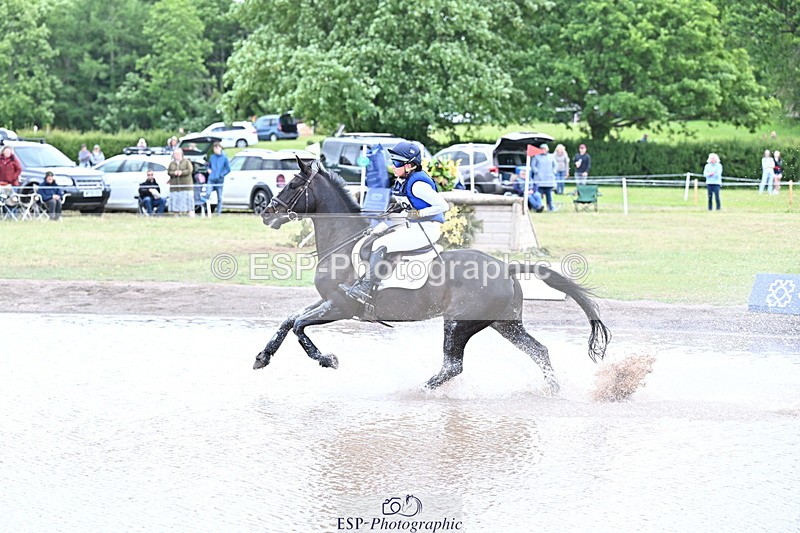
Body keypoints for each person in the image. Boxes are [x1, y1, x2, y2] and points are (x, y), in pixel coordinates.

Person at [339, 141, 450, 304]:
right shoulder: (404, 179)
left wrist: (418, 213)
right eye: (393, 161)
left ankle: (366, 289)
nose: (393, 165)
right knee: (375, 233)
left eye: (397, 163)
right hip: (413, 226)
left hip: (427, 229)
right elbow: (410, 203)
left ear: (410, 166)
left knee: (380, 244)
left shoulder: (418, 184)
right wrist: (397, 207)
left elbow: (443, 205)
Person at [200, 142, 231, 215]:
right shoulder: (212, 157)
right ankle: (204, 210)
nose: (215, 149)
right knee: (207, 194)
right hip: (211, 179)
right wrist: (208, 169)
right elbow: (208, 165)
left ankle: (218, 212)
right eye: (214, 148)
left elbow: (228, 169)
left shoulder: (224, 158)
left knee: (219, 197)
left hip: (219, 180)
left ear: (220, 148)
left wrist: (221, 175)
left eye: (217, 148)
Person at [167, 148, 195, 217]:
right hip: (175, 187)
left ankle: (191, 215)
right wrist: (174, 173)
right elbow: (169, 172)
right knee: (175, 204)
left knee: (189, 204)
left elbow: (190, 170)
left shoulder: (187, 162)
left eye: (178, 154)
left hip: (186, 187)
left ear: (181, 154)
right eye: (175, 154)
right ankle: (176, 216)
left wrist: (181, 172)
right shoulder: (171, 163)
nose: (177, 155)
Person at [532, 143, 557, 211]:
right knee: (539, 194)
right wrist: (537, 171)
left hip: (549, 179)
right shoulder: (536, 157)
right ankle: (539, 206)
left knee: (549, 194)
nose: (543, 150)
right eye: (542, 149)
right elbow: (533, 166)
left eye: (544, 149)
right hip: (539, 180)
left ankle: (550, 207)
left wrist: (553, 172)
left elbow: (555, 165)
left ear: (547, 149)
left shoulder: (551, 156)